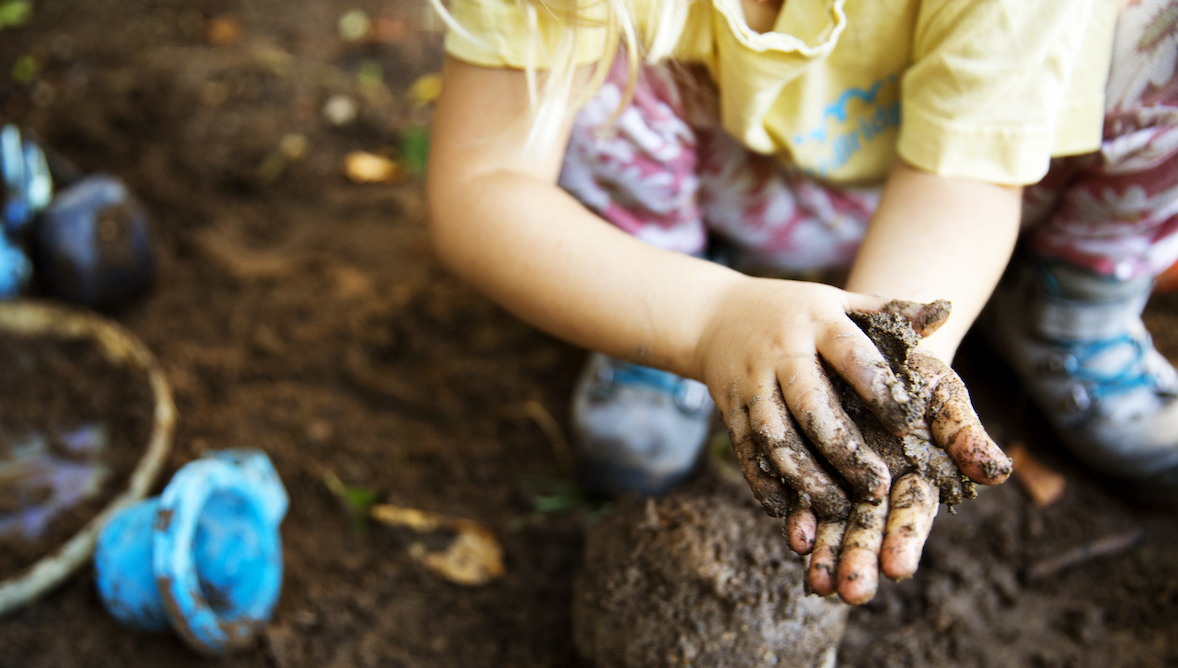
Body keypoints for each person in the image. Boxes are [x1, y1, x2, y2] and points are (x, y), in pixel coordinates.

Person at [425, 0, 1178, 604]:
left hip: (970, 178)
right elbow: (485, 181)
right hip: (725, 180)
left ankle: (1068, 298)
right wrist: (708, 317)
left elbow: (969, 178)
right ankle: (658, 292)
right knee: (575, 54)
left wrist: (882, 367)